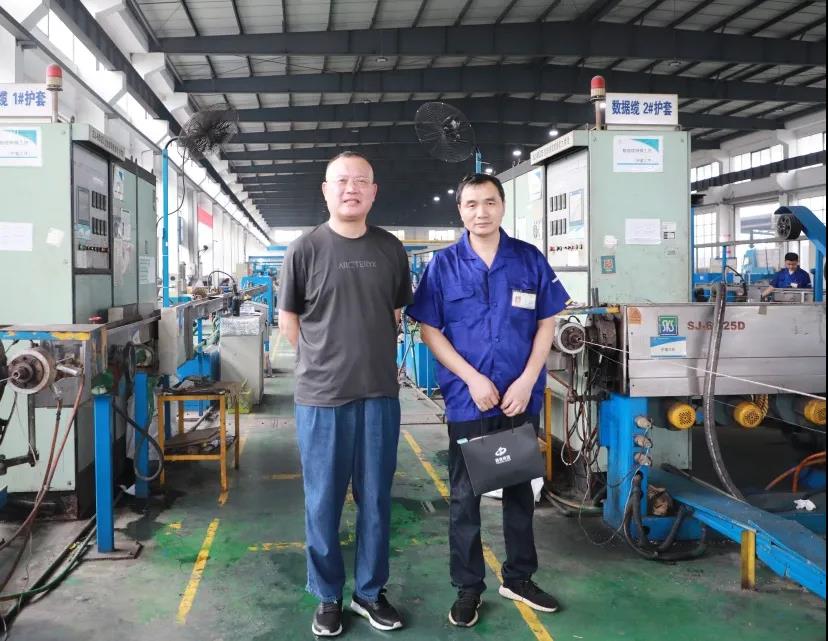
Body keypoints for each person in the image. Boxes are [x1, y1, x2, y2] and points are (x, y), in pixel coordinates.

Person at [405, 173, 570, 628]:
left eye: (490, 202)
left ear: (502, 206)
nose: (482, 212)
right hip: (469, 400)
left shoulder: (528, 259)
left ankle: (519, 577)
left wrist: (527, 380)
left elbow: (547, 323)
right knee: (465, 498)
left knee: (520, 491)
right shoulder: (443, 265)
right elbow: (430, 331)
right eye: (472, 204)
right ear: (460, 210)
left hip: (519, 398)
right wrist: (473, 378)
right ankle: (468, 587)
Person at [278, 151, 412, 637]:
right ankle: (328, 595)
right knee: (323, 501)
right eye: (341, 181)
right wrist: (323, 362)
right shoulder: (304, 249)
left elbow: (395, 313)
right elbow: (289, 321)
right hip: (321, 399)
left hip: (379, 395)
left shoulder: (391, 249)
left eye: (360, 181)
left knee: (376, 499)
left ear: (374, 192)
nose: (351, 188)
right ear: (326, 190)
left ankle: (370, 593)